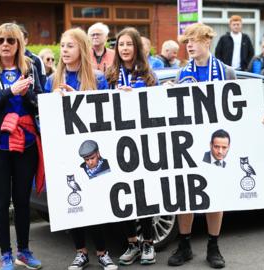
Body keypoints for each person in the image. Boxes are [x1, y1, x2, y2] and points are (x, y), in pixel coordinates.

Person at [0, 22, 44, 270]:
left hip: (26, 143)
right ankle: (5, 254)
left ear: (18, 44)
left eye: (10, 40)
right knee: (1, 202)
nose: (4, 45)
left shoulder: (31, 66)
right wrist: (9, 91)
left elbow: (39, 104)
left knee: (22, 200)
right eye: (0, 40)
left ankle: (24, 251)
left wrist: (26, 95)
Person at [44, 28, 116, 270]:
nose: (64, 50)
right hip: (63, 152)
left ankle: (103, 252)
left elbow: (107, 115)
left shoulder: (97, 78)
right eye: (62, 45)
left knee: (96, 202)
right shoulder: (50, 80)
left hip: (92, 151)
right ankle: (81, 252)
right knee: (72, 201)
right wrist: (54, 102)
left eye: (70, 46)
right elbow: (44, 121)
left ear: (82, 49)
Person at [167, 23, 236, 269]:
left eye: (194, 41)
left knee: (215, 196)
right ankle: (184, 245)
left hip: (214, 143)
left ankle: (213, 246)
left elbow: (236, 108)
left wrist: (256, 120)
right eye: (187, 42)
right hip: (188, 144)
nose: (189, 46)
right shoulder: (182, 73)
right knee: (185, 196)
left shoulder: (226, 71)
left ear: (207, 41)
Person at [105, 27, 159, 266]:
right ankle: (132, 243)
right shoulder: (110, 75)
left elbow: (158, 108)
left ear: (137, 47)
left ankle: (148, 243)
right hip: (117, 143)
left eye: (129, 44)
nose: (125, 48)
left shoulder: (149, 75)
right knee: (123, 195)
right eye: (121, 44)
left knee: (143, 194)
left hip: (142, 143)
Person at [19, 25, 46, 92]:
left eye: (19, 39)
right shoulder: (6, 59)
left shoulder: (36, 60)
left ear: (25, 41)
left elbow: (42, 85)